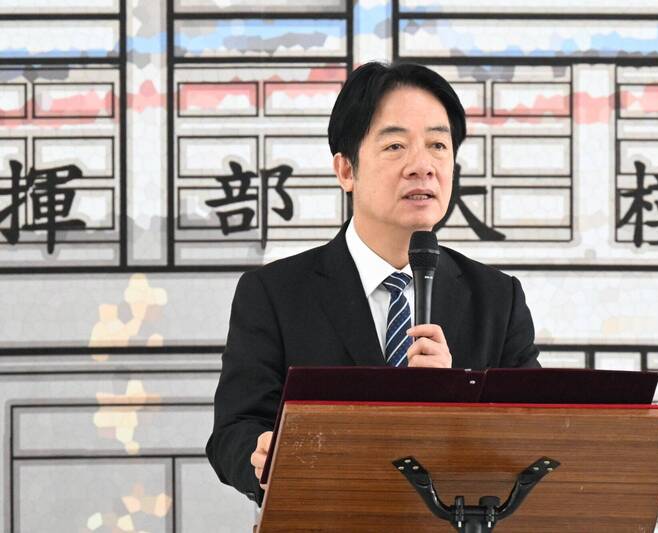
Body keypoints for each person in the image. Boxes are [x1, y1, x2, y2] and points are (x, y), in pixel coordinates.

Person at [206, 62, 541, 504]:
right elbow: (233, 431)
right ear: (346, 170)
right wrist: (261, 456)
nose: (422, 166)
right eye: (396, 146)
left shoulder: (497, 297)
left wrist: (457, 399)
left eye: (438, 145)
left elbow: (535, 436)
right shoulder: (274, 293)